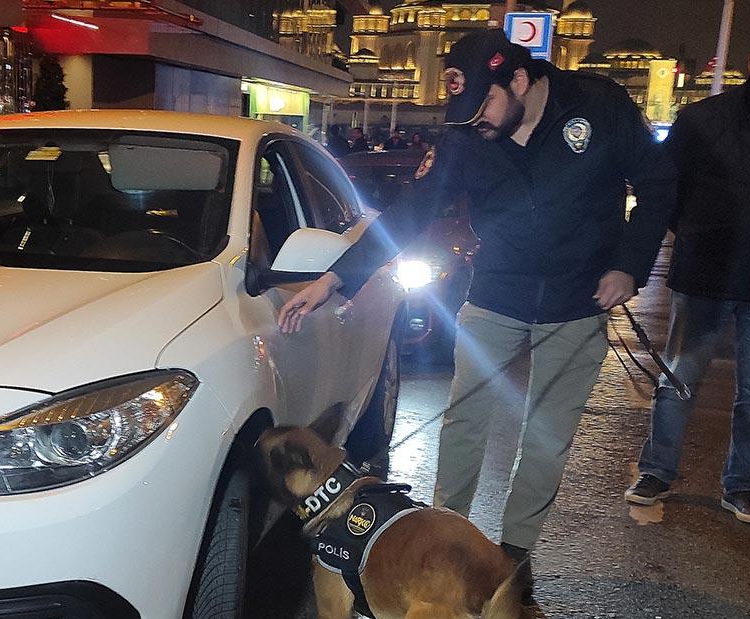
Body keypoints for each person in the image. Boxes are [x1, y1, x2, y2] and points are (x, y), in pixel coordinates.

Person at [277, 29, 675, 580]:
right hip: (496, 295)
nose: (475, 120)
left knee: (546, 437)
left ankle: (514, 557)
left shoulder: (598, 104)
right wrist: (336, 278)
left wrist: (629, 264)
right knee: (464, 423)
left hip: (577, 301)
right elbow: (411, 213)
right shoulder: (468, 137)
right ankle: (445, 544)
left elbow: (658, 182)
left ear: (517, 78)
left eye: (484, 103)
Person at [625, 28, 750, 524]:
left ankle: (743, 486)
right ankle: (657, 471)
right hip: (707, 272)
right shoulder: (705, 120)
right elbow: (666, 187)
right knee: (680, 377)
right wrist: (691, 232)